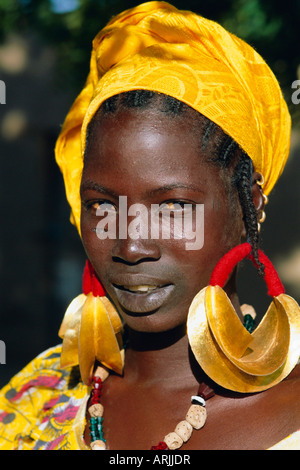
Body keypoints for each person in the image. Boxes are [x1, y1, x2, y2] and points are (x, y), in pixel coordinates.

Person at [0, 1, 299, 450]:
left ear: (249, 205)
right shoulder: (33, 402)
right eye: (102, 205)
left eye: (173, 206)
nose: (132, 245)